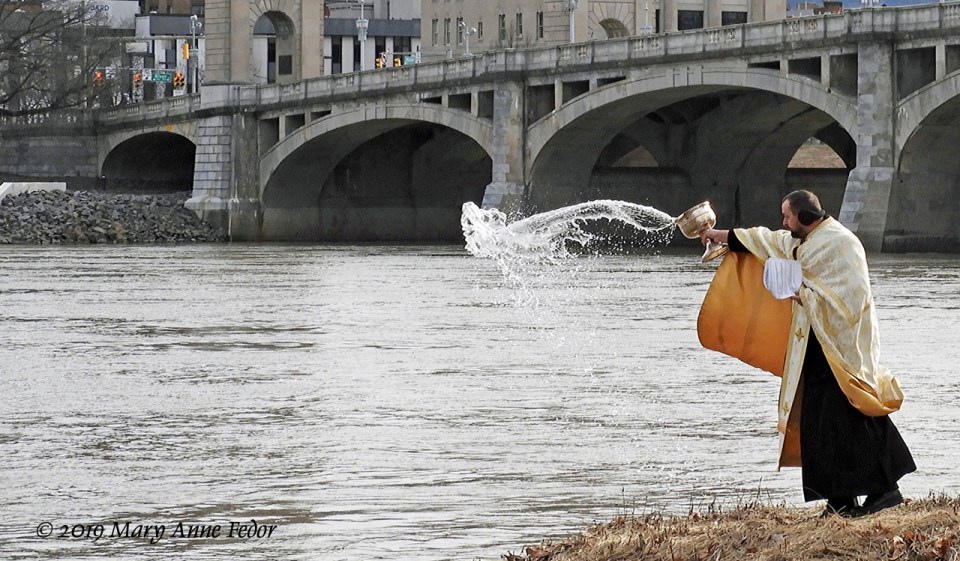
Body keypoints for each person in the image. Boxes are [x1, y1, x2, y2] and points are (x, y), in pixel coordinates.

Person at [696, 190, 915, 517]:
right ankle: (840, 500)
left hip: (841, 348)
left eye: (787, 216)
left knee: (853, 418)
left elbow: (850, 300)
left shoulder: (841, 243)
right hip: (815, 346)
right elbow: (765, 240)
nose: (784, 223)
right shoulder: (804, 240)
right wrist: (719, 235)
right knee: (820, 426)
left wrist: (805, 295)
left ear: (805, 216)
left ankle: (885, 491)